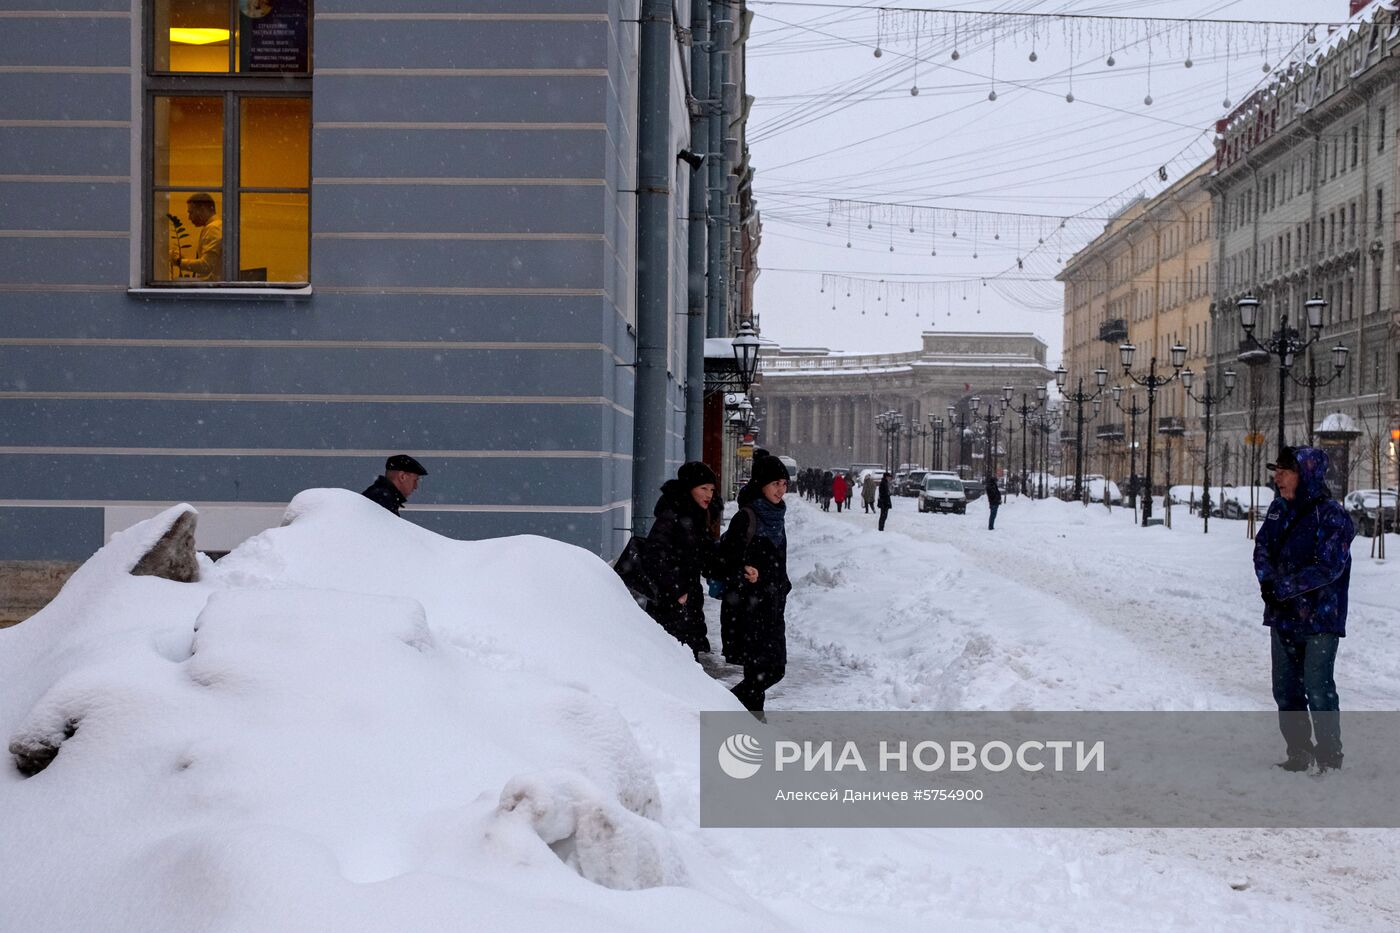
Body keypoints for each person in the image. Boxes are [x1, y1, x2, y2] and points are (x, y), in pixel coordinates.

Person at [1253, 446, 1355, 773]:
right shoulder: (1278, 509)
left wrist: (1282, 589)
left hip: (1321, 617)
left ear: (1306, 475)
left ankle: (1329, 755)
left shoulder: (1332, 516)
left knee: (1318, 686)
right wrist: (1268, 582)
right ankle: (1299, 751)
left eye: (1285, 471)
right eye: (1276, 470)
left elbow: (1329, 566)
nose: (1277, 477)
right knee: (1285, 688)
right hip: (1284, 616)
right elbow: (1263, 548)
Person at [720, 455, 791, 713]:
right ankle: (734, 716)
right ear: (761, 484)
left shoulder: (777, 518)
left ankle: (726, 709)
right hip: (748, 609)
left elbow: (778, 562)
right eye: (775, 483)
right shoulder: (746, 518)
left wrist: (783, 586)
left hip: (772, 608)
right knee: (757, 674)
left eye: (784, 483)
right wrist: (743, 570)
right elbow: (724, 562)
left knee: (774, 670)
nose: (781, 489)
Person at [642, 461, 719, 659]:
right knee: (674, 659)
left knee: (685, 659)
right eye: (703, 488)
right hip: (670, 602)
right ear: (689, 488)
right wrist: (677, 588)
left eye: (711, 489)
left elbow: (705, 556)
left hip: (688, 599)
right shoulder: (673, 515)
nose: (709, 494)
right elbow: (653, 554)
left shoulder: (696, 517)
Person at [170, 192, 222, 280]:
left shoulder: (213, 229)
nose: (189, 218)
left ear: (202, 209)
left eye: (191, 212)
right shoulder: (217, 226)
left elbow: (206, 266)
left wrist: (179, 262)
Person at [361, 454, 428, 515]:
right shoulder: (381, 498)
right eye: (415, 480)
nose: (416, 486)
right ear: (402, 476)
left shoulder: (380, 496)